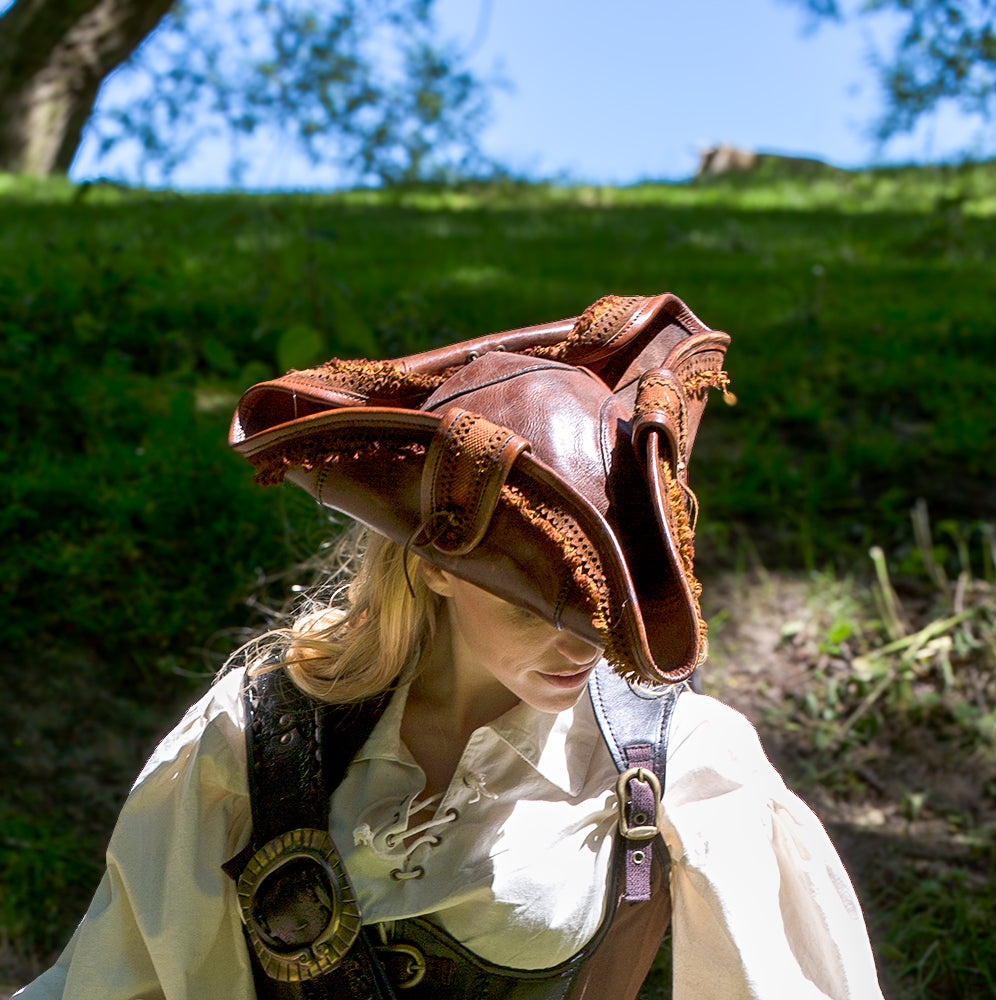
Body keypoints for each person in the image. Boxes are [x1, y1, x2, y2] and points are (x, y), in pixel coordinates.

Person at [15, 293, 885, 1000]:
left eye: (603, 607)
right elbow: (126, 981)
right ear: (435, 568)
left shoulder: (677, 755)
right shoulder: (260, 734)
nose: (582, 640)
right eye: (538, 601)